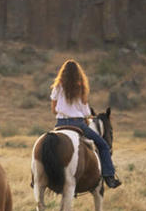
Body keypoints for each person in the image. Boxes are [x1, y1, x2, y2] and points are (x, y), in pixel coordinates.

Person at [50, 59, 121, 188]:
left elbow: (54, 110)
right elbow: (86, 111)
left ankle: (37, 179)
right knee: (103, 145)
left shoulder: (57, 86)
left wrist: (64, 112)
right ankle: (109, 177)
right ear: (78, 73)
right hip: (78, 123)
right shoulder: (81, 86)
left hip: (59, 123)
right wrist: (85, 115)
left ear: (63, 73)